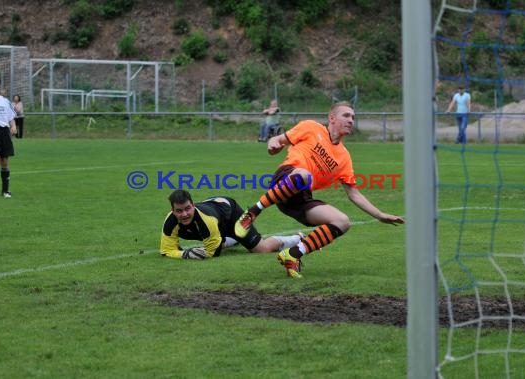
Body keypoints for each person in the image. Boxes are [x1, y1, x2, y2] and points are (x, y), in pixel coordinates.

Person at [234, 101, 404, 278]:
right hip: (286, 177)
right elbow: (278, 139)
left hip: (299, 199)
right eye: (346, 115)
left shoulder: (344, 157)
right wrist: (273, 144)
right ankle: (252, 212)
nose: (351, 120)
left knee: (342, 221)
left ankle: (292, 255)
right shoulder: (311, 127)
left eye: (353, 117)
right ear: (332, 118)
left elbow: (353, 193)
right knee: (304, 176)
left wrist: (380, 215)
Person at [160, 189, 304, 259]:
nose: (184, 214)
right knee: (216, 242)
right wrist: (185, 254)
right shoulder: (169, 222)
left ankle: (298, 238)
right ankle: (234, 239)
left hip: (231, 214)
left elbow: (212, 253)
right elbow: (166, 251)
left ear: (193, 205)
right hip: (217, 217)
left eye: (187, 209)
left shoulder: (206, 221)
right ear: (172, 211)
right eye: (179, 211)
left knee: (261, 249)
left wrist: (183, 254)